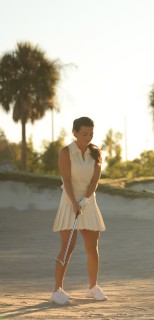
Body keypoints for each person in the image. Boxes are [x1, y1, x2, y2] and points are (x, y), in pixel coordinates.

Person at [50, 117, 107, 305]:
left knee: (93, 247)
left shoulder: (95, 152)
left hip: (88, 201)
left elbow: (95, 180)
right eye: (84, 134)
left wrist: (86, 199)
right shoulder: (66, 152)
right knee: (68, 247)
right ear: (74, 132)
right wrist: (75, 202)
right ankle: (57, 290)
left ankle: (93, 287)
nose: (88, 137)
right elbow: (66, 180)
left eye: (91, 134)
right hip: (69, 200)